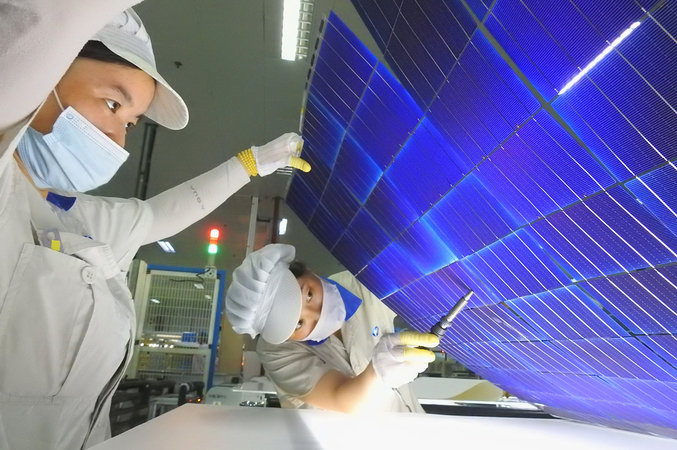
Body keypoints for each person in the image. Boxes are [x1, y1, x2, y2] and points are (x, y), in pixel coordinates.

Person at [0, 6, 310, 450]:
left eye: (129, 123)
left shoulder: (81, 221)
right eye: (112, 104)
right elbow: (39, 22)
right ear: (44, 73)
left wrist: (251, 165)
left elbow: (163, 214)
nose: (118, 140)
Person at [225, 244, 439, 414]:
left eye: (309, 294)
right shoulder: (276, 351)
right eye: (298, 323)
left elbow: (423, 286)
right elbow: (341, 398)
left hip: (415, 424)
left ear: (308, 271)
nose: (317, 315)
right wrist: (377, 371)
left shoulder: (361, 283)